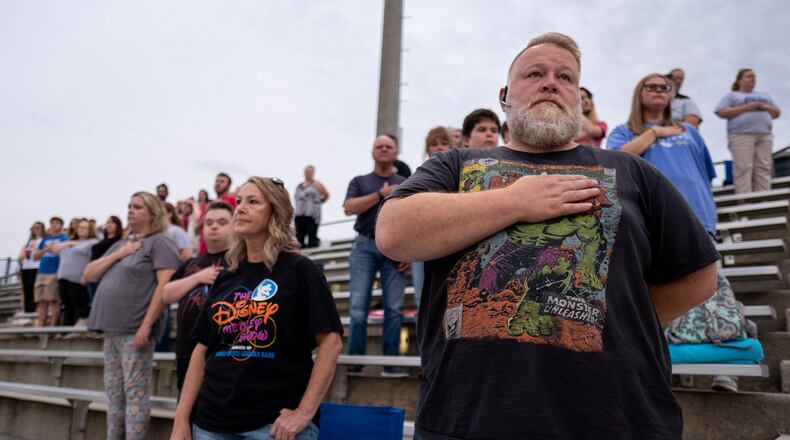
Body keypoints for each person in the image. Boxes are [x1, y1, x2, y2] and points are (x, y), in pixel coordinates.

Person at [376, 32, 719, 439]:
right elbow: (394, 231)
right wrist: (516, 202)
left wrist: (609, 317)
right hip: (466, 419)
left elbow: (700, 276)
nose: (551, 83)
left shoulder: (633, 171)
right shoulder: (455, 164)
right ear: (505, 96)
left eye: (566, 78)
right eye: (535, 74)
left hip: (619, 420)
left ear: (578, 99)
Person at [170, 177, 343, 440]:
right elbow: (201, 350)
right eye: (239, 201)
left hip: (272, 426)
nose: (240, 208)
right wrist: (182, 419)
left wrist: (304, 412)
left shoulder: (300, 270)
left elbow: (331, 343)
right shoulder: (227, 277)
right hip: (209, 424)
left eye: (253, 202)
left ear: (275, 212)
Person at [84, 191, 180, 439]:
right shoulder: (120, 245)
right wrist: (120, 253)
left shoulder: (161, 242)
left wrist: (146, 325)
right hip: (110, 331)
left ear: (152, 213)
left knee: (135, 394)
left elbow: (164, 285)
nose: (130, 210)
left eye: (137, 207)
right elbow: (88, 275)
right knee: (114, 395)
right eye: (129, 206)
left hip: (135, 331)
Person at [343, 134, 409, 377]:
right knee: (358, 307)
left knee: (394, 307)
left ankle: (391, 364)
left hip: (394, 245)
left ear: (396, 152)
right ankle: (355, 363)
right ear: (372, 152)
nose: (383, 149)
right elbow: (349, 207)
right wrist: (380, 194)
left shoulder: (406, 181)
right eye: (378, 146)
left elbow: (412, 215)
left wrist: (409, 251)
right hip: (364, 244)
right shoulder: (360, 181)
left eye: (388, 146)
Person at [163, 201, 234, 391]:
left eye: (222, 222)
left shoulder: (239, 261)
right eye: (209, 222)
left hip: (223, 353)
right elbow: (166, 294)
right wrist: (198, 277)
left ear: (234, 226)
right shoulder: (190, 263)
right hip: (186, 350)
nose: (214, 226)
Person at [715, 68, 782, 194]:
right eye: (749, 76)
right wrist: (747, 107)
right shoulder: (732, 96)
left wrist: (765, 106)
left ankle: (764, 200)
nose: (753, 79)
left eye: (754, 77)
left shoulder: (764, 96)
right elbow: (721, 112)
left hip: (764, 135)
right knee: (743, 167)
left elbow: (777, 112)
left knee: (764, 167)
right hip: (741, 135)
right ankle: (745, 199)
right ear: (739, 80)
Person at [413, 127, 453, 310]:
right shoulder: (419, 176)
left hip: (453, 243)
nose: (439, 148)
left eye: (444, 143)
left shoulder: (463, 174)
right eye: (434, 144)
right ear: (427, 149)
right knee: (422, 298)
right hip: (423, 244)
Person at [52, 219, 98, 326]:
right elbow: (54, 250)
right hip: (63, 278)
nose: (81, 229)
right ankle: (65, 331)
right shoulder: (69, 242)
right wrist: (71, 242)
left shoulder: (92, 242)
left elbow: (93, 260)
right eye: (80, 227)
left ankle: (77, 331)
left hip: (77, 278)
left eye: (85, 227)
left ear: (90, 230)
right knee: (67, 307)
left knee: (78, 306)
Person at [33, 217, 68, 327]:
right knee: (41, 302)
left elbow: (65, 255)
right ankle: (40, 327)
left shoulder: (64, 238)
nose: (54, 225)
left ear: (61, 226)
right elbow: (36, 256)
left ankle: (53, 327)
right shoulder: (45, 239)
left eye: (57, 223)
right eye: (52, 223)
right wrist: (46, 249)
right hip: (41, 272)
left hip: (54, 272)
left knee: (53, 301)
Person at [197, 173, 237, 255]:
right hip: (204, 251)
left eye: (222, 181)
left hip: (224, 253)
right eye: (217, 181)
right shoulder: (209, 204)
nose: (218, 183)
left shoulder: (233, 200)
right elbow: (197, 228)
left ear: (228, 185)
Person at [294, 165, 329, 248]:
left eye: (309, 172)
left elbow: (326, 195)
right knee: (299, 236)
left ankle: (313, 254)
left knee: (312, 235)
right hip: (299, 214)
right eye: (306, 171)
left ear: (313, 173)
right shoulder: (299, 185)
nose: (307, 173)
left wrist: (318, 203)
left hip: (312, 214)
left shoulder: (317, 184)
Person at [18, 222, 45, 314]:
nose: (36, 229)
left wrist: (36, 248)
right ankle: (28, 310)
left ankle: (36, 309)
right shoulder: (28, 243)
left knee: (36, 289)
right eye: (34, 227)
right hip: (26, 268)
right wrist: (22, 254)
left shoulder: (43, 240)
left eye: (38, 227)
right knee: (27, 290)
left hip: (38, 267)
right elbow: (21, 258)